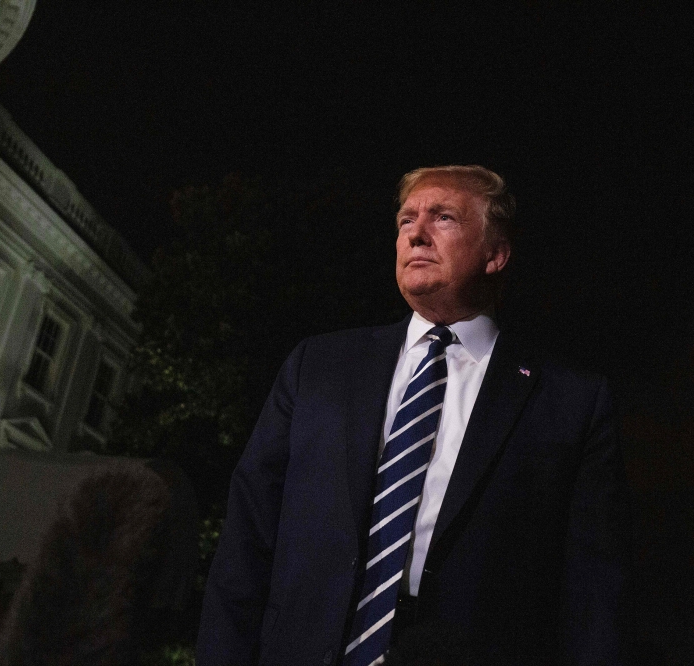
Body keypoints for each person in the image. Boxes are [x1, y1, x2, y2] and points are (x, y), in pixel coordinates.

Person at [197, 165, 631, 665]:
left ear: (496, 254)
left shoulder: (570, 402)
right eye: (406, 220)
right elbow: (248, 540)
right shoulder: (317, 366)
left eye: (443, 217)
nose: (416, 233)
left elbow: (594, 595)